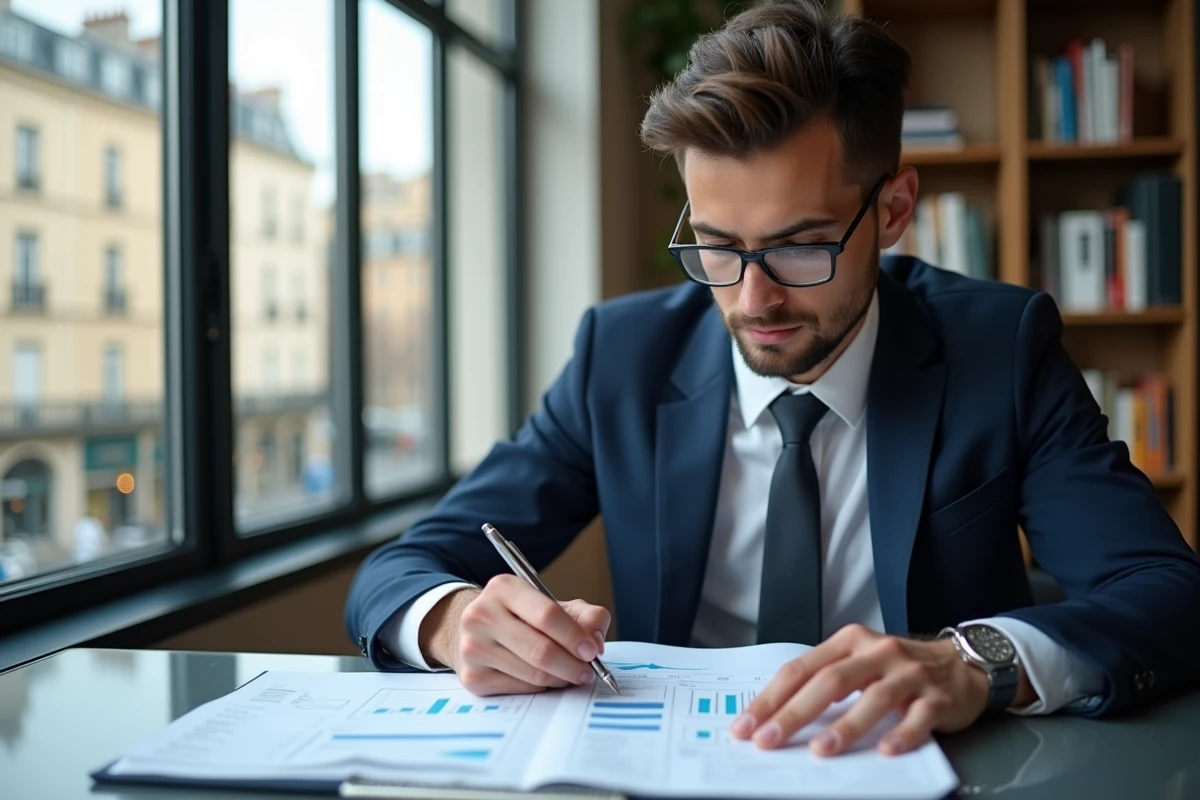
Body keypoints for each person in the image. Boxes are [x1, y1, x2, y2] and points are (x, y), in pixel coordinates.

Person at [345, 0, 1200, 759]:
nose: (754, 298)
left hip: (936, 770)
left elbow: (1167, 592)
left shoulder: (998, 351)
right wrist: (456, 622)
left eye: (801, 244)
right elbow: (406, 566)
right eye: (716, 245)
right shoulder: (624, 355)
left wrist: (972, 659)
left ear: (894, 211)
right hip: (676, 767)